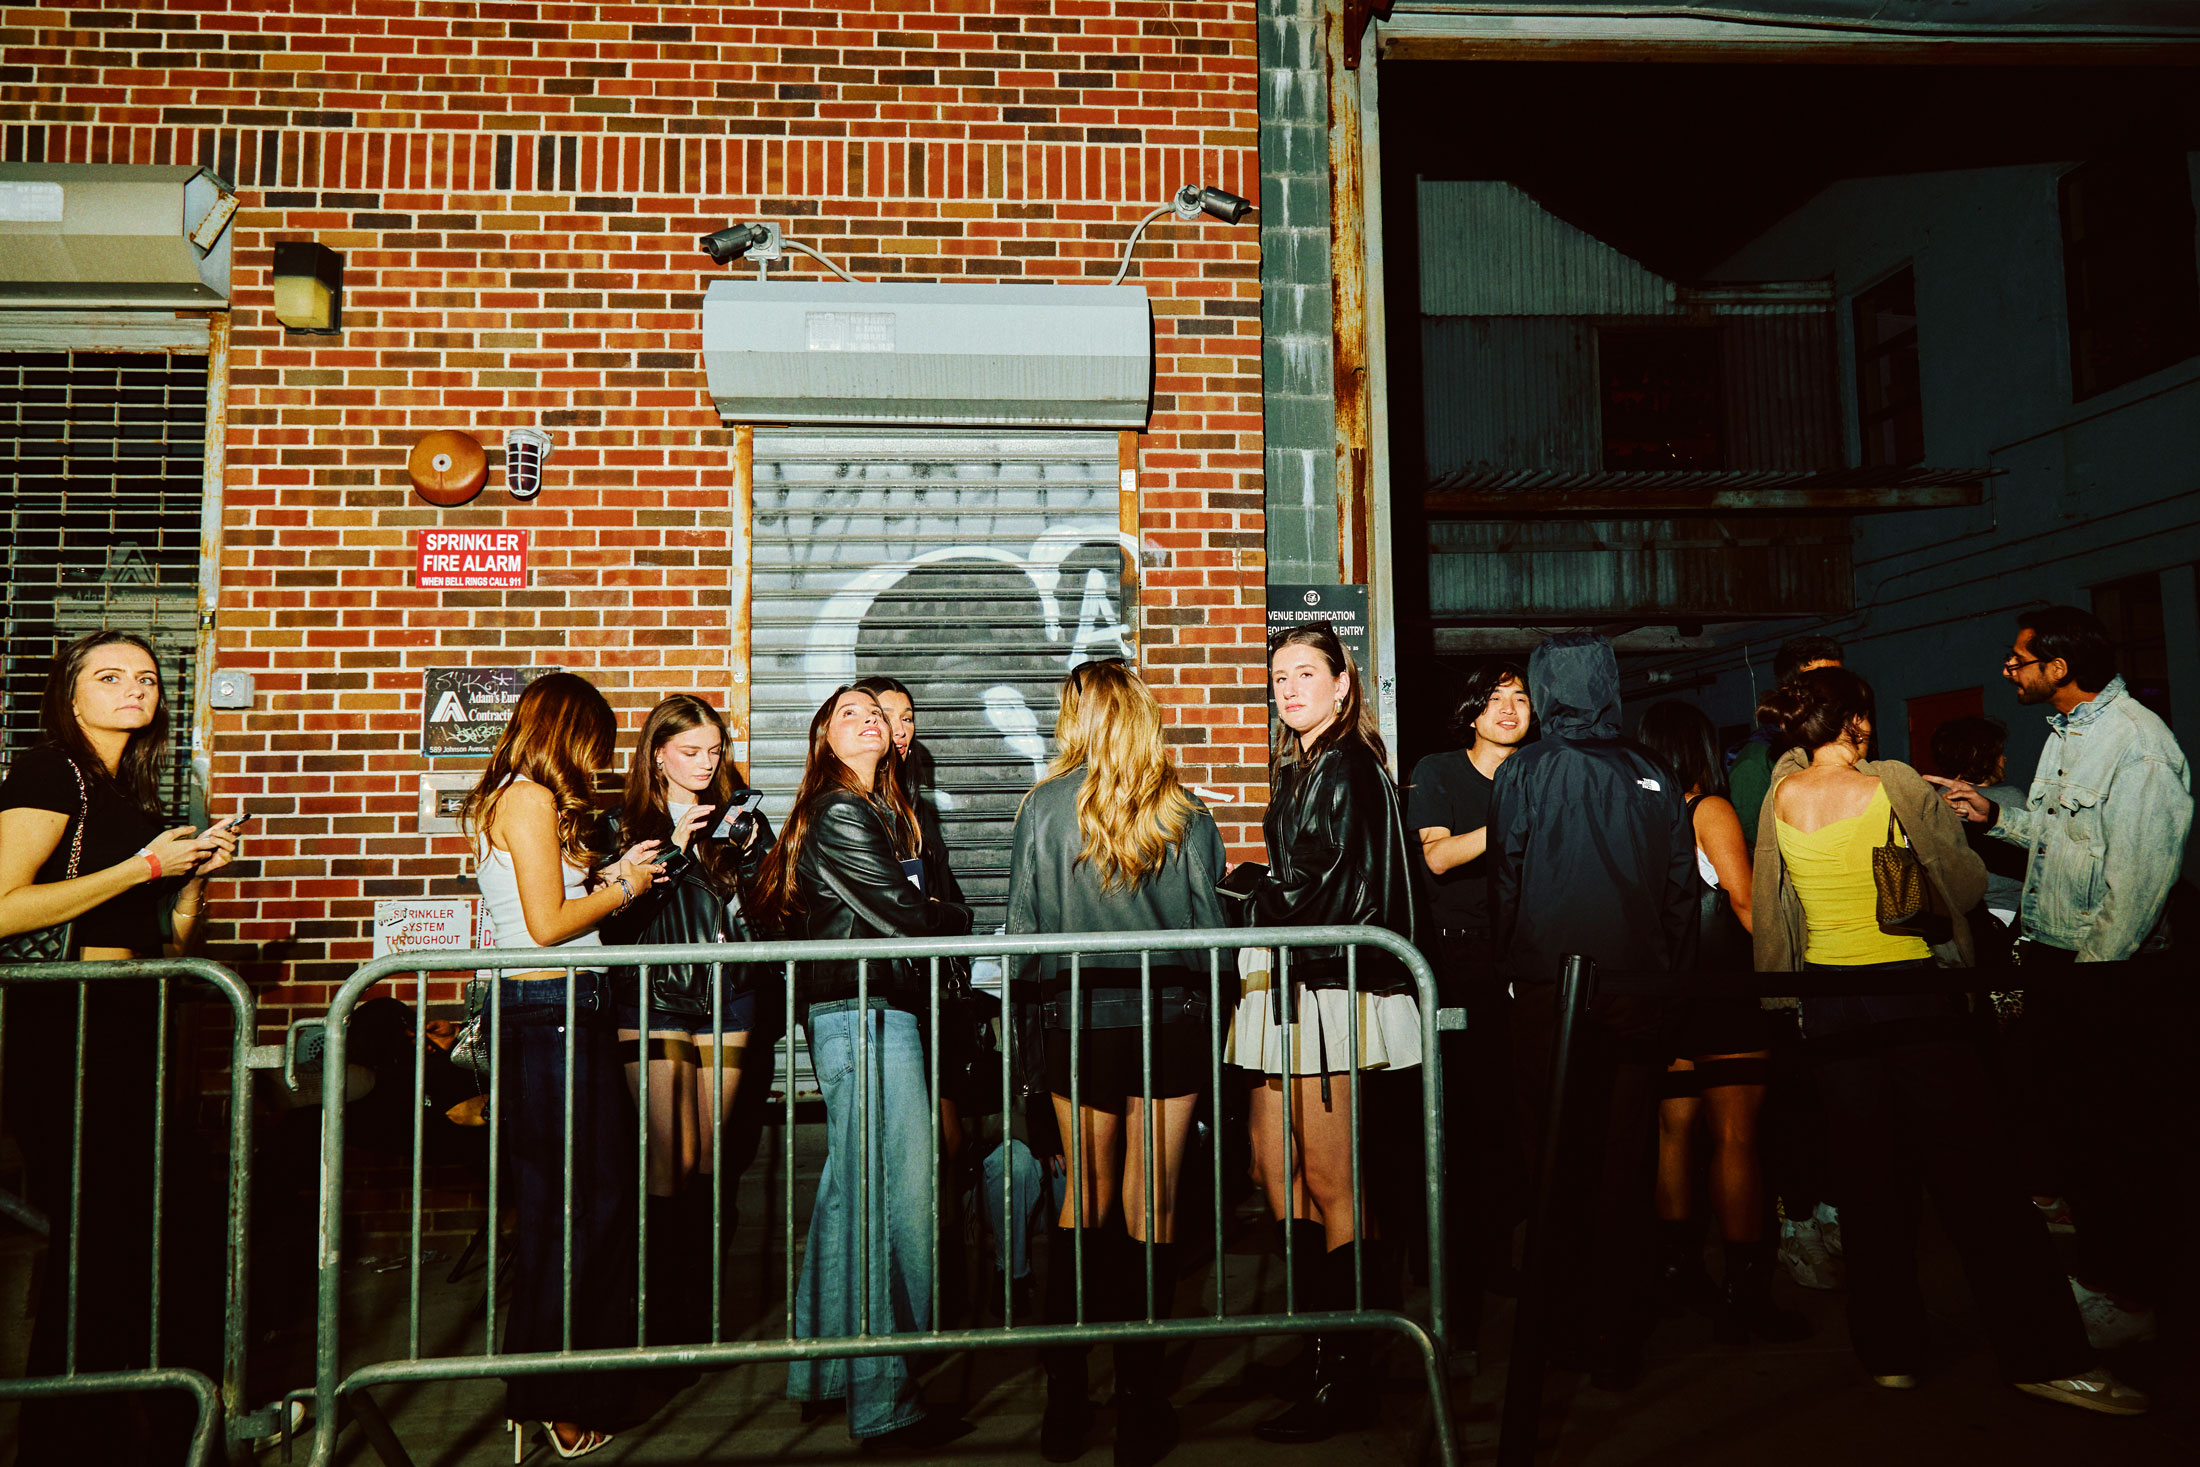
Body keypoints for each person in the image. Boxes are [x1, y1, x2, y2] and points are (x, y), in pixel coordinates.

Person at [1756, 665, 2145, 1415]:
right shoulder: (1893, 782)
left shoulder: (1781, 794)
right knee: (1983, 1186)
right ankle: (2046, 1355)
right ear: (1858, 720)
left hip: (1831, 1009)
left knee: (1869, 1186)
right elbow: (1965, 887)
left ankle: (1890, 1353)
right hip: (1914, 1001)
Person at [0, 630, 241, 1462]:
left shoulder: (122, 789)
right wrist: (144, 867)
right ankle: (69, 1438)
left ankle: (140, 1423)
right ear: (71, 694)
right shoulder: (46, 773)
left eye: (145, 677)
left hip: (126, 1020)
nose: (134, 688)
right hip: (64, 1030)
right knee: (97, 1243)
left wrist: (191, 879)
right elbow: (2, 907)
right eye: (109, 676)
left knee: (135, 1236)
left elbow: (166, 943)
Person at [1928, 606, 2192, 1353]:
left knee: (2120, 1143)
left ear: (2061, 666)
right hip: (2062, 960)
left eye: (2020, 660)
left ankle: (2134, 1297)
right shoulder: (2066, 736)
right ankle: (2109, 1278)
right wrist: (1994, 817)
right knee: (2078, 1137)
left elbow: (2136, 883)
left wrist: (2090, 987)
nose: (2009, 670)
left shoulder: (2137, 744)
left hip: (2107, 971)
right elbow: (2063, 838)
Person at [1006, 657, 1232, 1467]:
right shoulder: (1183, 808)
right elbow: (1213, 936)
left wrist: (1027, 1050)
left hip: (1076, 1022)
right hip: (1169, 1019)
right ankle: (1141, 1408)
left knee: (1081, 1207)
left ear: (1079, 717)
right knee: (1154, 1209)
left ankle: (1066, 1405)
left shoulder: (1042, 805)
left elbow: (1025, 935)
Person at [749, 686, 975, 1448]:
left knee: (852, 1196)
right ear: (822, 737)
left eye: (875, 712)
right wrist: (954, 914)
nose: (869, 718)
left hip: (866, 1012)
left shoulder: (880, 806)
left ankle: (826, 1370)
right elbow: (907, 912)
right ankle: (882, 1401)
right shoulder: (842, 812)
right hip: (866, 1013)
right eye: (848, 713)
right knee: (891, 1201)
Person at [1224, 623, 1420, 1445]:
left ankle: (1348, 1373)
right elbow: (1308, 879)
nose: (1288, 686)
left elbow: (1332, 896)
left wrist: (1237, 895)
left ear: (1345, 684)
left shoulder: (1344, 765)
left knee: (1334, 1184)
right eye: (1278, 675)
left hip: (1331, 984)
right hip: (1294, 981)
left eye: (1307, 672)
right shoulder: (1305, 763)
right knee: (1282, 1171)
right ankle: (1321, 1342)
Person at [467, 670, 670, 1459]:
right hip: (549, 1009)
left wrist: (625, 874)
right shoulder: (528, 798)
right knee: (585, 1205)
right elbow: (548, 926)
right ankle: (558, 1392)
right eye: (598, 740)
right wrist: (622, 887)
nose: (602, 756)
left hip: (555, 1010)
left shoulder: (518, 798)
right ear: (570, 732)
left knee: (575, 1203)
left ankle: (546, 1386)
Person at [1490, 634, 1695, 1389]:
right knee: (1623, 1155)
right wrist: (1669, 980)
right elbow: (1680, 889)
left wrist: (1513, 966)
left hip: (1551, 990)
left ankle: (1556, 1327)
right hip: (1639, 987)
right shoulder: (1653, 770)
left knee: (1554, 1156)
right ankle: (1616, 1336)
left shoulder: (1528, 769)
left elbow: (1507, 877)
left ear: (1545, 689)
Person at [602, 694, 774, 1352]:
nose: (705, 763)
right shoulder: (622, 822)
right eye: (689, 751)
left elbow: (769, 906)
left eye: (714, 751)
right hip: (648, 995)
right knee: (664, 1165)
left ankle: (698, 1319)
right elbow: (614, 919)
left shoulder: (738, 818)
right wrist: (673, 847)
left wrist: (757, 853)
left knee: (711, 1160)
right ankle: (657, 1319)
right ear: (657, 754)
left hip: (728, 995)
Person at [1636, 699, 1805, 1344]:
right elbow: (1741, 898)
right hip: (1722, 991)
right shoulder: (1709, 808)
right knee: (1736, 1138)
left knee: (1673, 1131)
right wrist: (1786, 971)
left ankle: (1679, 1271)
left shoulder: (1638, 809)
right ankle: (1746, 1294)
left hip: (1663, 989)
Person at [1405, 658, 1533, 1339]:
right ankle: (1452, 1277)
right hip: (1458, 965)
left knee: (1514, 1125)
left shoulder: (1537, 769)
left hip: (1524, 959)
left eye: (1518, 695)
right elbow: (1438, 857)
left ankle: (1496, 1259)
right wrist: (1515, 816)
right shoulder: (1440, 770)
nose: (1509, 708)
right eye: (1493, 697)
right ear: (1471, 711)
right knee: (1465, 1123)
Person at [1729, 635, 1844, 846]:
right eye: (1823, 682)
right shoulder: (1755, 762)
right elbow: (1760, 847)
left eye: (1840, 682)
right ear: (1789, 693)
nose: (1836, 693)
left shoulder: (1842, 745)